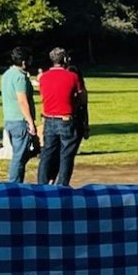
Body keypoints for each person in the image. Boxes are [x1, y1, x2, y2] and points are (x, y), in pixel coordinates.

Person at [37, 47, 88, 186]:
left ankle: (41, 185)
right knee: (66, 155)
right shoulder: (72, 76)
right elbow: (81, 97)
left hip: (48, 118)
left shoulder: (43, 77)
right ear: (64, 59)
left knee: (47, 153)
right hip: (66, 118)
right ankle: (62, 185)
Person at [0, 47, 37, 183]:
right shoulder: (20, 77)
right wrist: (30, 122)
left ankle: (16, 182)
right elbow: (22, 101)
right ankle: (14, 185)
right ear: (23, 62)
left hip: (9, 119)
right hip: (20, 121)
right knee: (19, 157)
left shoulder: (6, 75)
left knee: (20, 154)